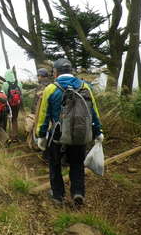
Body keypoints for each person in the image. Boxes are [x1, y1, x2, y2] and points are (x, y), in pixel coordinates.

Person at [35, 58, 103, 206]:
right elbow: (93, 112)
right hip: (80, 135)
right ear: (71, 71)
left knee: (55, 165)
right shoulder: (85, 86)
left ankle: (58, 196)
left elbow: (43, 115)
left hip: (57, 136)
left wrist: (41, 135)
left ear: (55, 72)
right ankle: (78, 192)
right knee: (77, 164)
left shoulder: (51, 89)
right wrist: (98, 131)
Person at [26, 68, 52, 150]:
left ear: (42, 76)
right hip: (47, 112)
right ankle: (44, 145)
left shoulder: (42, 86)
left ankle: (37, 145)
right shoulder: (51, 85)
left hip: (39, 112)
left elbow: (37, 101)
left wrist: (34, 111)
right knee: (47, 128)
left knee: (37, 128)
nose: (38, 77)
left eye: (38, 76)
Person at [1, 69, 23, 141]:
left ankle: (9, 136)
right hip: (17, 104)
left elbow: (3, 96)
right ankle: (15, 136)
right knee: (15, 119)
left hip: (9, 104)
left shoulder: (5, 84)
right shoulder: (19, 83)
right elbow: (21, 94)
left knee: (9, 119)